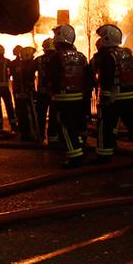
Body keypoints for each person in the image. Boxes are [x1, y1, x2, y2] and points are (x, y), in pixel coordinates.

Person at [91, 24, 133, 165]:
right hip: (130, 97)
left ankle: (104, 155)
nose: (99, 41)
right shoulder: (126, 53)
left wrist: (105, 96)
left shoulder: (106, 56)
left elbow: (106, 78)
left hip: (113, 99)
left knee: (105, 126)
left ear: (107, 38)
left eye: (101, 38)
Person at [46, 24, 91, 168]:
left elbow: (50, 77)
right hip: (79, 98)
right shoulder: (81, 56)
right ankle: (79, 147)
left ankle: (75, 156)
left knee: (65, 127)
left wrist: (48, 88)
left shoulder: (55, 57)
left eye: (55, 35)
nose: (53, 39)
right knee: (76, 126)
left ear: (60, 36)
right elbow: (88, 77)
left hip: (62, 99)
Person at [10, 46, 38, 141]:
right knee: (30, 114)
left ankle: (24, 133)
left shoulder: (17, 64)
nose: (33, 57)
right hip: (28, 94)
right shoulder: (30, 65)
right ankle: (31, 133)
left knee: (21, 114)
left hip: (19, 94)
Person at [34, 37, 56, 144]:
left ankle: (40, 136)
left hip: (42, 93)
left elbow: (28, 73)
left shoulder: (38, 60)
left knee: (40, 116)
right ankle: (53, 138)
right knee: (54, 116)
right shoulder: (59, 57)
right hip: (55, 93)